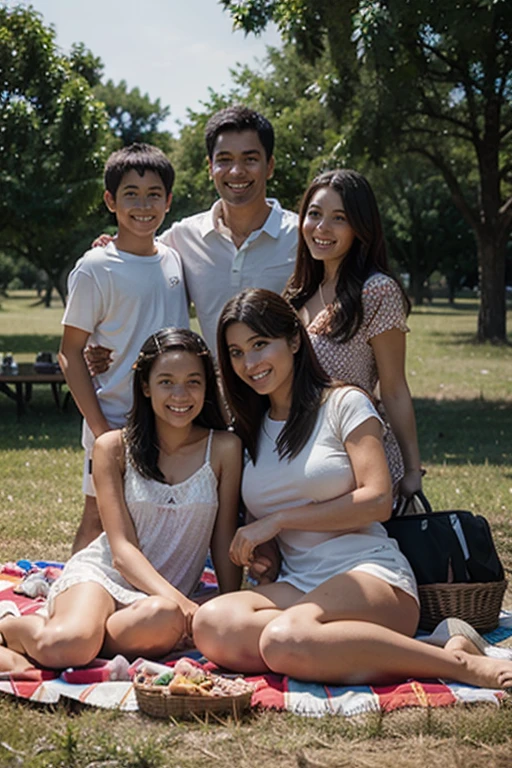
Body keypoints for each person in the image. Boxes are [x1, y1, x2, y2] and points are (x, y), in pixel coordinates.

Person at [192, 289, 512, 692]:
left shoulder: (344, 403)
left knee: (283, 639)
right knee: (213, 625)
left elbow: (377, 500)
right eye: (236, 352)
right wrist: (265, 554)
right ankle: (395, 645)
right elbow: (265, 525)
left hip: (370, 577)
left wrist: (278, 521)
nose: (250, 363)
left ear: (294, 340)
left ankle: (456, 663)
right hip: (298, 582)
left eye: (260, 344)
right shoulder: (248, 430)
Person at [0, 329, 241, 673]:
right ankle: (9, 628)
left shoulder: (223, 449)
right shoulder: (113, 448)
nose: (180, 394)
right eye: (166, 382)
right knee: (68, 644)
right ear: (145, 386)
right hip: (101, 577)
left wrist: (224, 608)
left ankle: (83, 641)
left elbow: (223, 537)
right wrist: (187, 606)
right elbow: (122, 553)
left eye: (193, 382)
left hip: (162, 605)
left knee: (161, 617)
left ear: (207, 387)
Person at [60, 143, 189, 553]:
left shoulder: (173, 259)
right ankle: (70, 598)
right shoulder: (95, 268)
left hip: (171, 418)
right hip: (114, 419)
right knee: (100, 517)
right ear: (110, 201)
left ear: (168, 201)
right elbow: (70, 354)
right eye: (130, 194)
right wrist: (103, 433)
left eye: (154, 194)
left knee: (157, 521)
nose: (143, 205)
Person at [91, 105, 298, 353]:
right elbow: (131, 270)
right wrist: (95, 344)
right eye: (224, 160)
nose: (236, 171)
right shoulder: (183, 237)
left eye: (250, 159)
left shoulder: (302, 237)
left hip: (288, 389)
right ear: (210, 168)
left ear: (270, 166)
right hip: (214, 389)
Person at [283, 169, 422, 500]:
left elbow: (394, 388)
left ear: (361, 227)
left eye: (339, 218)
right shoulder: (297, 293)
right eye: (314, 214)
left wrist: (413, 470)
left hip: (354, 459)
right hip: (300, 456)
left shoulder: (377, 292)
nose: (322, 228)